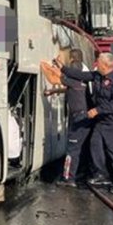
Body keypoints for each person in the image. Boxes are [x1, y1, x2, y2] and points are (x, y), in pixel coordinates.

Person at [60, 52, 113, 193]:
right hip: (100, 122)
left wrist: (98, 110)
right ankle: (101, 174)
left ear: (105, 65)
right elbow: (80, 76)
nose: (96, 64)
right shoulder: (97, 75)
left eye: (98, 62)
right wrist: (63, 68)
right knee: (94, 145)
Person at [42, 49, 93, 188]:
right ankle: (81, 173)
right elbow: (69, 87)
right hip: (83, 116)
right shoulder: (82, 78)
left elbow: (58, 75)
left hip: (78, 117)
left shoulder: (74, 79)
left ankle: (68, 178)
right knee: (80, 148)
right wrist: (54, 91)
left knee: (72, 150)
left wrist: (48, 65)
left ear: (72, 59)